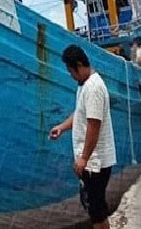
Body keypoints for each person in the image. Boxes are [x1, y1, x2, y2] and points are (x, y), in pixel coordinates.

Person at [50, 45, 116, 228]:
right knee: (97, 208)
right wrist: (62, 127)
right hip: (92, 161)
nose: (71, 75)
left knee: (96, 211)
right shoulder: (85, 85)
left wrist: (84, 158)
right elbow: (80, 114)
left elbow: (94, 125)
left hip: (95, 163)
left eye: (71, 71)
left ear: (79, 65)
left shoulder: (93, 88)